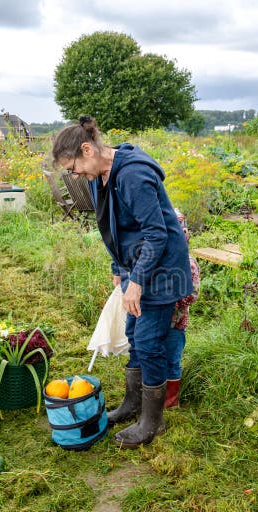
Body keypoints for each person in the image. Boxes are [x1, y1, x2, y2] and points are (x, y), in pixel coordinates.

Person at [52, 116, 192, 448]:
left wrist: (138, 281)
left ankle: (151, 422)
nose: (74, 175)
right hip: (136, 265)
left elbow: (157, 233)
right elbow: (111, 226)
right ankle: (133, 403)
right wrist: (119, 266)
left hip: (161, 270)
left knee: (149, 342)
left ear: (88, 149)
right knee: (133, 334)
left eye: (73, 167)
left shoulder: (132, 175)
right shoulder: (98, 175)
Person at [164, 209, 200, 408]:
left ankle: (170, 401)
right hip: (154, 321)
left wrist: (170, 301)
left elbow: (192, 294)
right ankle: (153, 394)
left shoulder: (188, 263)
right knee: (154, 357)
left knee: (172, 361)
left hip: (175, 323)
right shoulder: (158, 260)